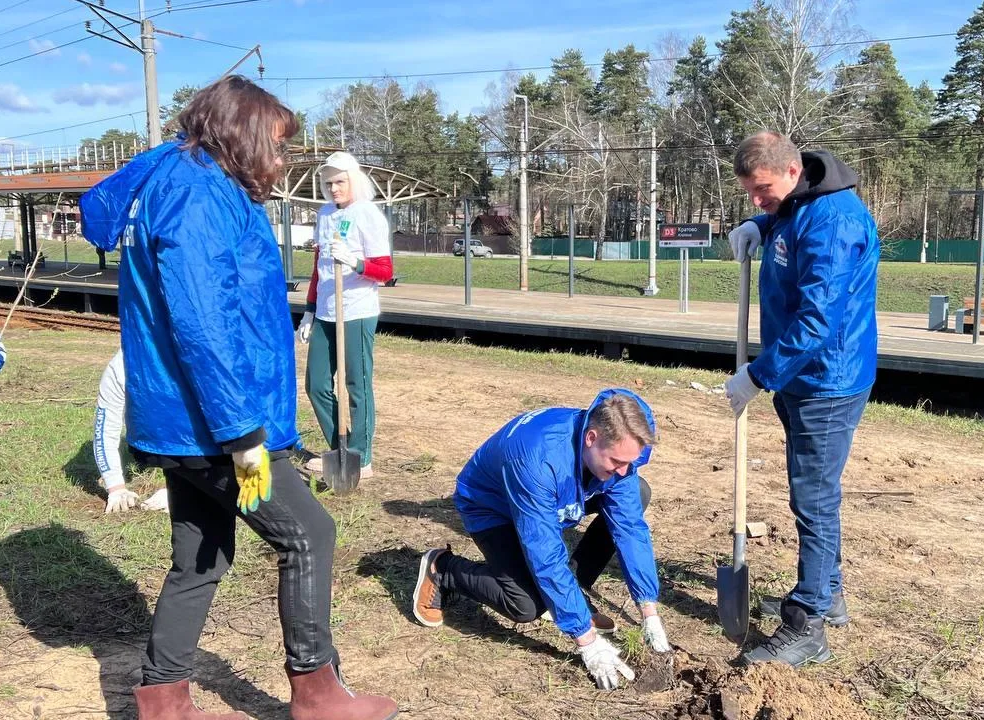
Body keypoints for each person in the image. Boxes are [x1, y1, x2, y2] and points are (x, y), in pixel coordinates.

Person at [80, 76, 398, 720]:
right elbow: (204, 325)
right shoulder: (197, 196)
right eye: (276, 146)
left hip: (188, 430)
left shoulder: (192, 183)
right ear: (241, 135)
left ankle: (162, 698)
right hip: (224, 434)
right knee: (307, 532)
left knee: (203, 555)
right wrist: (242, 433)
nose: (281, 163)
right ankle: (316, 690)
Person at [722, 130, 879, 668]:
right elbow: (786, 220)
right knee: (812, 493)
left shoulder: (834, 223)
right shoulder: (798, 201)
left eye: (762, 191)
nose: (757, 199)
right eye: (750, 194)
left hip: (825, 382)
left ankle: (808, 623)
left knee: (813, 501)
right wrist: (760, 224)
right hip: (800, 377)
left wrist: (757, 376)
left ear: (791, 171)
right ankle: (827, 594)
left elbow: (817, 320)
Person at [411, 389, 672, 690]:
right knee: (525, 605)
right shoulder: (536, 459)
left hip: (558, 491)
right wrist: (587, 643)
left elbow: (628, 528)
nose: (624, 471)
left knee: (636, 492)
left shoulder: (616, 456)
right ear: (591, 438)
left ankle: (569, 592)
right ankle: (444, 570)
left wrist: (648, 609)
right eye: (617, 461)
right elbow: (544, 554)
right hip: (493, 506)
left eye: (630, 461)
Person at [296, 152, 392, 481]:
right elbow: (317, 267)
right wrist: (309, 310)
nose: (333, 188)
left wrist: (356, 263)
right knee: (317, 384)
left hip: (356, 309)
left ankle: (361, 457)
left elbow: (385, 271)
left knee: (356, 384)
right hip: (325, 309)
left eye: (340, 181)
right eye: (328, 183)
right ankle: (340, 449)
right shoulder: (324, 215)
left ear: (354, 179)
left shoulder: (368, 215)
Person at [93, 349, 169, 514]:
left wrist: (181, 491)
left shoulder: (195, 358)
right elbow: (105, 431)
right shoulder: (120, 367)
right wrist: (116, 487)